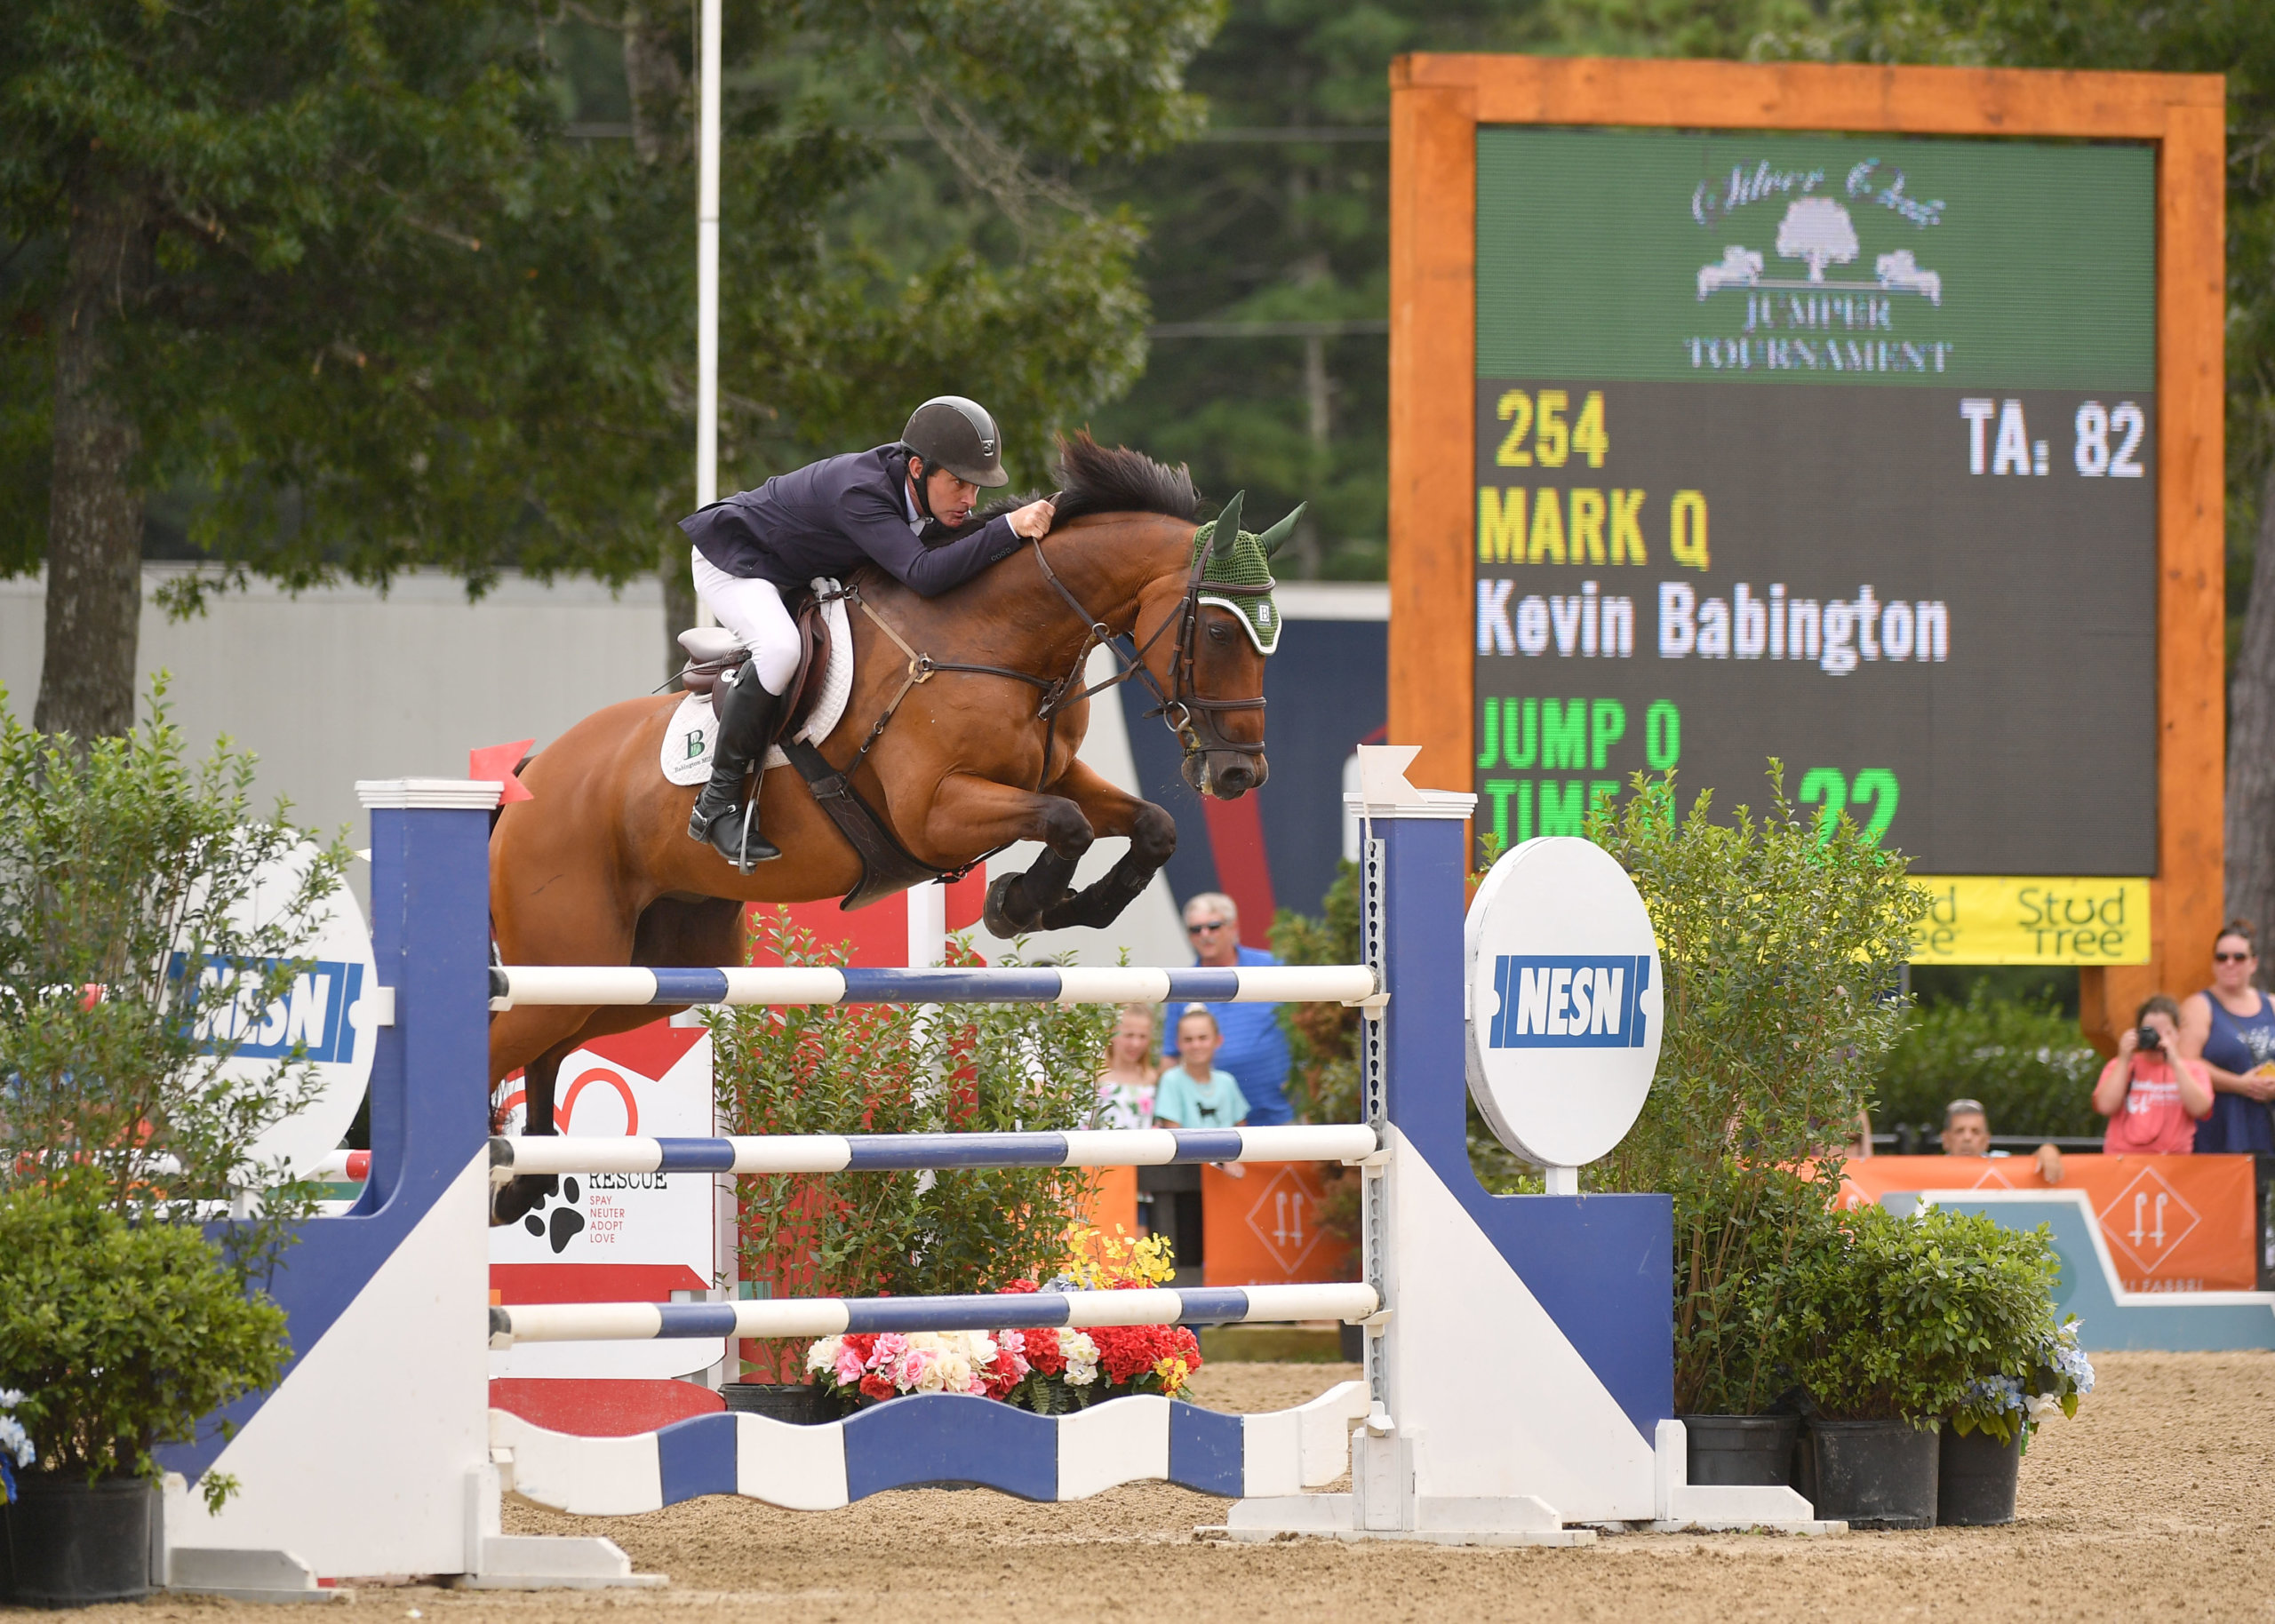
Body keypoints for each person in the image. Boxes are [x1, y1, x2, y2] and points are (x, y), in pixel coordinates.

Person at [676, 397, 1059, 869]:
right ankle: (717, 802)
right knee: (779, 650)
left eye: (976, 487)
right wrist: (1007, 528)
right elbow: (924, 574)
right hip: (734, 561)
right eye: (958, 483)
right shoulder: (862, 493)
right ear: (918, 468)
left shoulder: (913, 489)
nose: (969, 500)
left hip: (793, 565)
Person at [1161, 891, 1294, 1125]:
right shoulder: (1182, 985)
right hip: (1214, 1127)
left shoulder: (1271, 968)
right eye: (1196, 929)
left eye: (1213, 926)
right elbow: (1170, 1057)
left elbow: (1306, 1030)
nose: (1205, 935)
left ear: (1233, 928)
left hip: (1280, 1114)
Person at [2177, 919, 2275, 1155]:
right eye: (2222, 957)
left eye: (2239, 957)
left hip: (2267, 1126)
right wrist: (2240, 1085)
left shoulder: (2271, 1004)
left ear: (2253, 963)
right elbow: (2186, 1063)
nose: (2230, 964)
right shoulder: (2199, 1006)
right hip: (2222, 1128)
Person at [2100, 994, 2215, 1154]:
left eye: (2165, 1032)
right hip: (2123, 1160)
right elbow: (2105, 1106)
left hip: (2173, 1162)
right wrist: (2124, 1059)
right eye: (2150, 1031)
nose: (2156, 1038)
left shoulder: (2193, 1070)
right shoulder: (2120, 1066)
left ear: (2178, 1032)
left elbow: (2200, 1109)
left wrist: (2175, 1061)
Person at [1153, 1006, 1250, 1131]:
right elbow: (1173, 1136)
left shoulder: (1227, 1081)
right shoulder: (1171, 1080)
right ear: (1178, 1044)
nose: (1196, 1045)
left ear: (1218, 1040)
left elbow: (1242, 1129)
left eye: (1203, 1038)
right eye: (1188, 1039)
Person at [1942, 1097, 2065, 1182]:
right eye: (1959, 1131)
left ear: (1986, 1141)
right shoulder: (1926, 1170)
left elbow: (2028, 1168)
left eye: (1976, 1132)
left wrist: (2048, 1151)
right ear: (1945, 1139)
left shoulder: (2001, 1162)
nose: (1967, 1138)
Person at [1094, 1004, 1160, 1131]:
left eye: (1143, 1036)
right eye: (1129, 1035)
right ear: (1112, 1033)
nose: (1136, 1044)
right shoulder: (1096, 1075)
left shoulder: (1152, 1077)